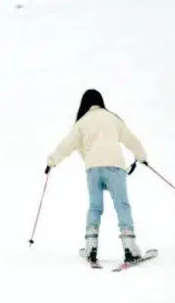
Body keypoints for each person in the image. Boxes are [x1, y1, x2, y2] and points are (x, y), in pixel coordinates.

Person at [46, 89, 149, 264]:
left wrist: (51, 162)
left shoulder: (81, 123)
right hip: (115, 167)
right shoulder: (113, 118)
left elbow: (67, 145)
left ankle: (91, 247)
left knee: (95, 207)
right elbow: (131, 140)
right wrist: (142, 157)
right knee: (122, 205)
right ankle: (130, 247)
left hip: (93, 169)